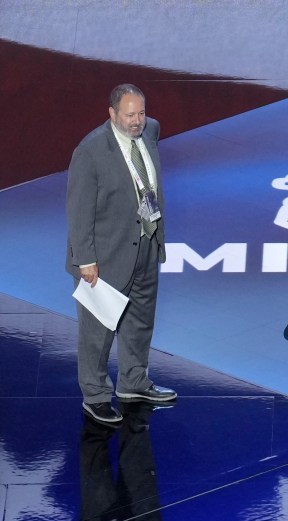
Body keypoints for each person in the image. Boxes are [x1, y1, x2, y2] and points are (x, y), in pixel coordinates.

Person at [66, 83, 176, 426]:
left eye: (141, 113)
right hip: (105, 257)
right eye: (129, 115)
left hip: (145, 244)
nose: (137, 121)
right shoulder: (91, 151)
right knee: (98, 333)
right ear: (111, 113)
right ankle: (96, 396)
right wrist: (85, 259)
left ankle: (134, 382)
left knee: (141, 322)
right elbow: (79, 210)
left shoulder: (151, 131)